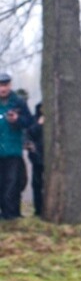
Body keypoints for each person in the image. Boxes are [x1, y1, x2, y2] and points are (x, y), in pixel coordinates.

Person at [0, 72, 33, 220]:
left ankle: (11, 213)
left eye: (5, 85)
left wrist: (17, 120)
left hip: (12, 150)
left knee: (12, 183)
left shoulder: (18, 102)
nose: (3, 89)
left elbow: (29, 122)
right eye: (0, 85)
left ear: (10, 85)